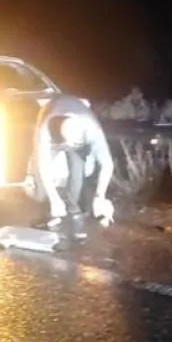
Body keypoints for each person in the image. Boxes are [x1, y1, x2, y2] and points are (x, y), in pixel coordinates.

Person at [32, 101, 115, 241]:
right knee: (39, 181)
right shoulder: (46, 129)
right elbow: (43, 165)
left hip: (79, 129)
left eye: (72, 144)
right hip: (52, 124)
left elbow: (107, 164)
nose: (68, 147)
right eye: (66, 144)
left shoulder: (92, 130)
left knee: (78, 171)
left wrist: (99, 196)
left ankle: (74, 212)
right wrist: (53, 198)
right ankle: (50, 212)